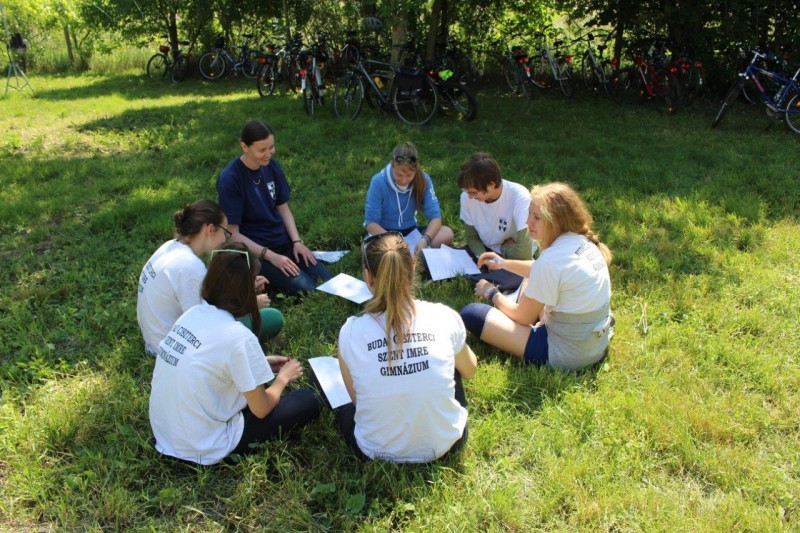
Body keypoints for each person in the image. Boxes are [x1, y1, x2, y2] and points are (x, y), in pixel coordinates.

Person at [149, 242, 321, 465]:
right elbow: (261, 409)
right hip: (203, 447)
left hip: (166, 435)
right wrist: (282, 379)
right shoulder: (239, 337)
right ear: (245, 289)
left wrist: (262, 363)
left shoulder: (192, 314)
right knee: (307, 400)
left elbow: (209, 365)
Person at [336, 232, 478, 462]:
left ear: (367, 277)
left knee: (342, 405)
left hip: (375, 451)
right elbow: (470, 370)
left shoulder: (351, 332)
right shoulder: (443, 316)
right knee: (453, 362)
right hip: (446, 444)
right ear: (413, 268)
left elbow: (357, 401)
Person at [460, 182, 613, 371]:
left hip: (565, 354)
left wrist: (490, 292)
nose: (527, 222)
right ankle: (527, 314)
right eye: (529, 214)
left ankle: (523, 318)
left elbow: (522, 317)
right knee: (530, 281)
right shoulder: (582, 242)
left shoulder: (551, 261)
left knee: (472, 314)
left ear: (556, 222)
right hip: (593, 344)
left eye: (536, 217)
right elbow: (539, 270)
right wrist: (503, 263)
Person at [136, 200, 283, 356]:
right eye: (225, 233)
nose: (225, 239)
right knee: (273, 318)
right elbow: (206, 323)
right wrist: (249, 304)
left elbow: (207, 296)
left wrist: (243, 286)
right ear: (210, 229)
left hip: (156, 341)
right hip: (176, 350)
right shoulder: (191, 267)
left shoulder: (170, 247)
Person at [217, 120, 331, 297]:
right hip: (256, 252)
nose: (269, 154)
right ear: (244, 147)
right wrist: (271, 257)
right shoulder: (230, 179)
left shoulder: (272, 167)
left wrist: (297, 242)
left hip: (283, 243)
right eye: (262, 150)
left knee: (327, 280)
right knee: (308, 289)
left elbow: (283, 208)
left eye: (271, 147)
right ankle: (262, 274)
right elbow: (232, 234)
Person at [364, 142, 454, 254]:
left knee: (447, 233)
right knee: (370, 248)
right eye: (399, 175)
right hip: (384, 231)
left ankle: (416, 253)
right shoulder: (378, 181)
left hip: (410, 231)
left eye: (409, 175)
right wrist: (393, 240)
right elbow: (370, 223)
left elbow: (436, 217)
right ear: (392, 166)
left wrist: (425, 240)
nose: (404, 180)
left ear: (415, 170)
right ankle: (410, 255)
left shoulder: (424, 180)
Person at [457, 152, 535, 260]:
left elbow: (524, 253)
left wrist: (503, 248)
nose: (470, 197)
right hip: (488, 250)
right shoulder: (466, 197)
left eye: (474, 193)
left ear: (491, 184)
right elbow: (472, 238)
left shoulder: (520, 198)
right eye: (467, 191)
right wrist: (484, 258)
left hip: (514, 254)